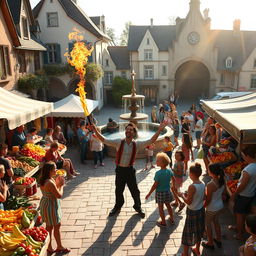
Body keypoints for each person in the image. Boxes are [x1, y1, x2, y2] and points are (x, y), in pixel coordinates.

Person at [92, 122, 166, 218]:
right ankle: (117, 206)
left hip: (130, 170)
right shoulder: (119, 141)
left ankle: (138, 207)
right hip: (119, 170)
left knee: (135, 190)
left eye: (131, 129)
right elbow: (104, 139)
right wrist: (95, 130)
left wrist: (160, 129)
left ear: (134, 132)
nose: (128, 131)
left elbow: (151, 140)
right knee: (118, 190)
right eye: (127, 129)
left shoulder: (137, 144)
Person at [39, 162, 70, 254]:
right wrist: (61, 185)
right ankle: (58, 247)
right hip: (50, 206)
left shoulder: (44, 179)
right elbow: (59, 195)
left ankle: (50, 247)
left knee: (50, 226)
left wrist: (57, 182)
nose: (56, 170)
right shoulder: (49, 182)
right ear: (49, 171)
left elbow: (52, 190)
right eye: (54, 169)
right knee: (55, 225)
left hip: (47, 204)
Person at [178, 163, 205, 256]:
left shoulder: (192, 186)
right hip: (201, 210)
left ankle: (185, 253)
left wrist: (182, 195)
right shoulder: (202, 184)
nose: (189, 174)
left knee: (188, 233)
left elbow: (188, 202)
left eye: (189, 173)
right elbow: (203, 197)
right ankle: (197, 250)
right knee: (199, 231)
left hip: (192, 212)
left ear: (192, 174)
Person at [231, 145, 256, 240]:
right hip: (250, 194)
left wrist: (235, 194)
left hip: (243, 195)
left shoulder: (248, 170)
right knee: (244, 213)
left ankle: (239, 233)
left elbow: (242, 185)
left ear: (248, 156)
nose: (243, 158)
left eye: (243, 156)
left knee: (239, 214)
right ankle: (238, 228)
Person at [145, 152, 175, 226]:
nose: (156, 161)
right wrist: (172, 185)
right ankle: (172, 219)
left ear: (162, 163)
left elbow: (155, 185)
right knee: (168, 206)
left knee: (161, 208)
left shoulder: (158, 173)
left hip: (160, 193)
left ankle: (163, 222)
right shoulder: (169, 171)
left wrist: (149, 193)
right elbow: (174, 179)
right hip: (168, 191)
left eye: (158, 160)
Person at [202, 163, 225, 250]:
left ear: (211, 172)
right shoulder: (222, 180)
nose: (207, 171)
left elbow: (208, 199)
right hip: (219, 206)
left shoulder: (210, 184)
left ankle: (210, 242)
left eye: (208, 170)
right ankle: (218, 239)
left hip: (211, 208)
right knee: (216, 222)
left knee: (208, 225)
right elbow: (223, 194)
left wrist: (203, 206)